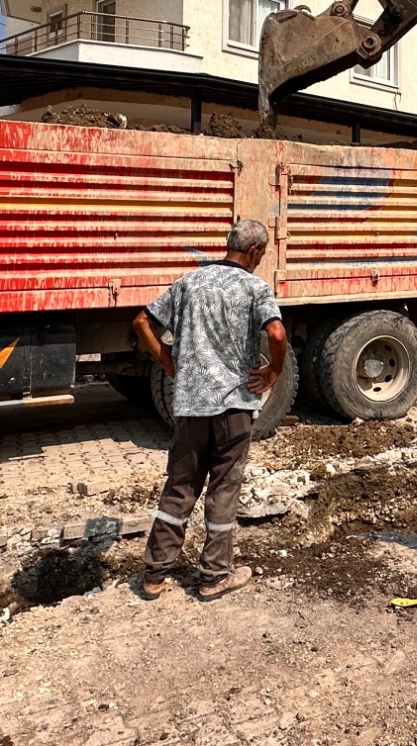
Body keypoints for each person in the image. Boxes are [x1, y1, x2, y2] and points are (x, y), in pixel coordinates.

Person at [130, 218, 287, 601]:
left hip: (189, 405)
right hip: (233, 407)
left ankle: (154, 575)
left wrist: (168, 362)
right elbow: (277, 333)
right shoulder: (254, 287)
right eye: (262, 255)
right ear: (253, 252)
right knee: (223, 488)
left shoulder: (188, 282)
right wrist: (274, 371)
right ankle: (214, 576)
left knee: (180, 486)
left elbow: (140, 322)